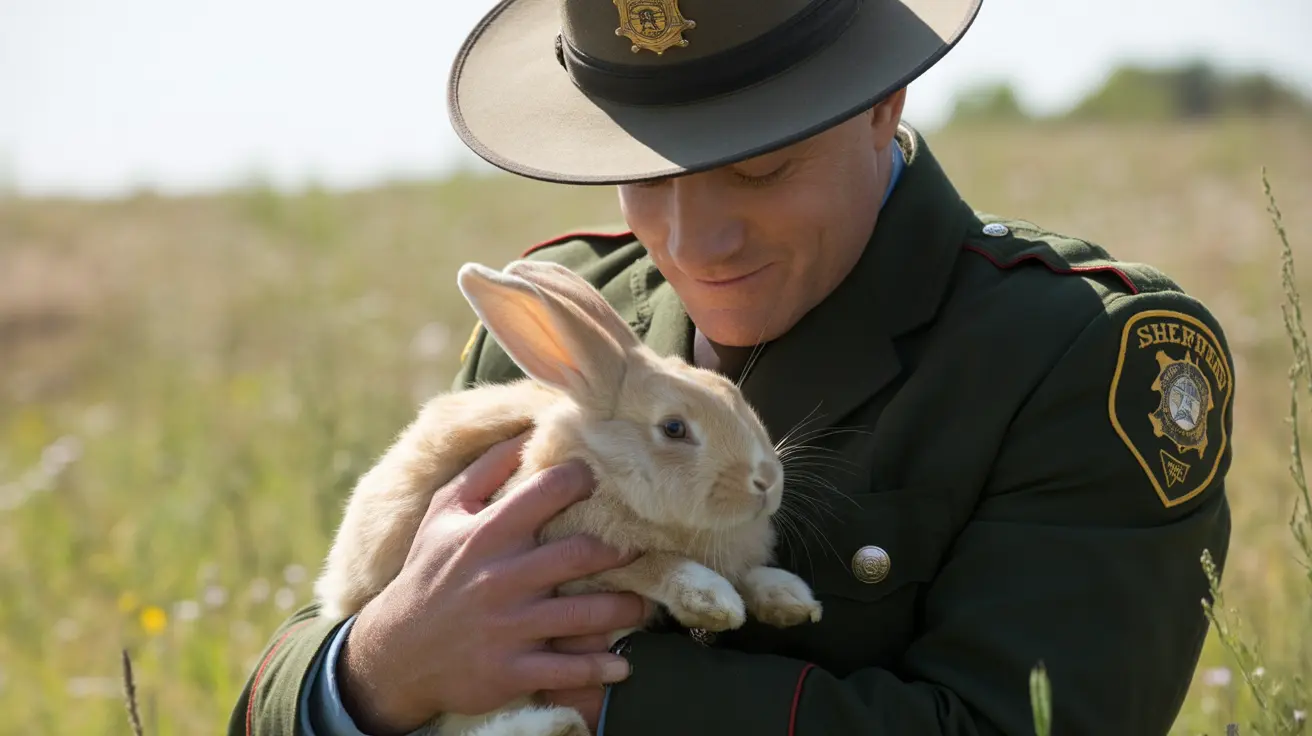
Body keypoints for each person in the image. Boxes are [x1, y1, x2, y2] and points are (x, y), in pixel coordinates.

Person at [230, 0, 1236, 733]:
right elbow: (312, 655)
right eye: (642, 171)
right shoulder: (559, 316)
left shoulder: (1073, 352)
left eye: (761, 167)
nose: (692, 239)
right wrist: (380, 670)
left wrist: (588, 689)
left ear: (881, 103)